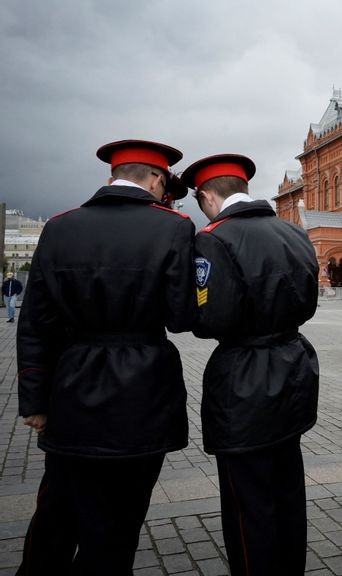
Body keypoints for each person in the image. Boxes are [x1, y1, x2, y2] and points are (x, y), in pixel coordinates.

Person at [16, 139, 195, 574]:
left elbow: (35, 321)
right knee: (119, 521)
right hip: (143, 393)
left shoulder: (60, 225)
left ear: (110, 175)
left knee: (56, 511)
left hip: (71, 388)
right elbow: (180, 317)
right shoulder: (174, 227)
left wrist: (35, 401)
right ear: (157, 179)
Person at [184, 153, 320, 575]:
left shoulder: (214, 238)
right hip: (294, 369)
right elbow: (310, 303)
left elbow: (210, 320)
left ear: (207, 197)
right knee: (287, 492)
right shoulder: (294, 233)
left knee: (247, 504)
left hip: (243, 381)